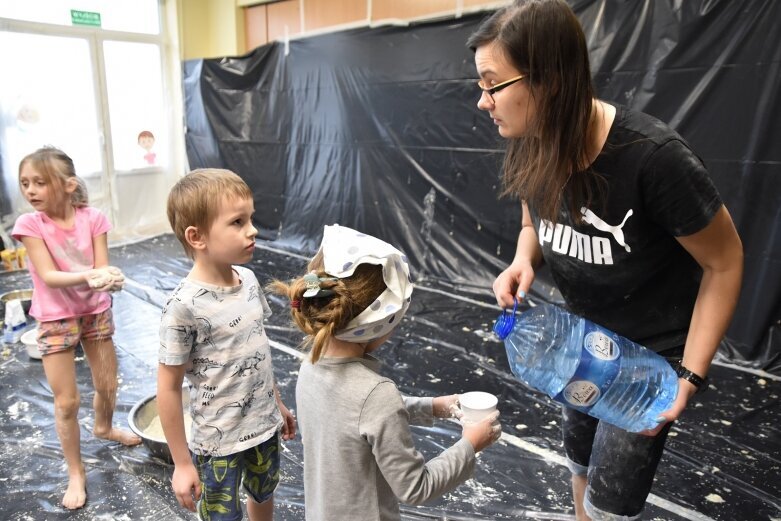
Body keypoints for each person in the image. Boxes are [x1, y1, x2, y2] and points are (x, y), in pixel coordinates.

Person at [467, 1, 744, 519]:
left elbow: (725, 263)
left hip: (647, 363)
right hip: (580, 342)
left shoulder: (654, 158)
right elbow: (534, 219)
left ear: (547, 80)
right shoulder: (531, 138)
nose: (482, 102)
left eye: (490, 84)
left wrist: (690, 376)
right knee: (578, 466)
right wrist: (524, 259)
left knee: (609, 502)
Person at [268, 223, 502, 521]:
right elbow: (416, 487)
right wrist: (470, 444)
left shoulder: (310, 365)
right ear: (382, 323)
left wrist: (434, 407)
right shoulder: (377, 395)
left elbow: (354, 414)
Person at [158, 168, 296, 521]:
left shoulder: (247, 279)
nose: (252, 230)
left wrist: (276, 404)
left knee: (263, 494)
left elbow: (257, 351)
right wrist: (182, 463)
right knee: (222, 515)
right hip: (218, 444)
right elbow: (168, 388)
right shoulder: (183, 307)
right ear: (197, 237)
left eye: (250, 218)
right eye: (237, 222)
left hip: (263, 428)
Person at [12, 146, 140, 510]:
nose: (30, 191)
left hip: (95, 312)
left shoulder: (93, 218)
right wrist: (93, 275)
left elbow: (102, 265)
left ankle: (103, 427)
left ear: (68, 185)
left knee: (107, 384)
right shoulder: (30, 224)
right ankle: (75, 471)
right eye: (25, 183)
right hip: (55, 318)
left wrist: (109, 278)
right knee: (67, 401)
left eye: (40, 182)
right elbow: (50, 277)